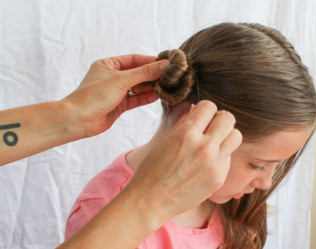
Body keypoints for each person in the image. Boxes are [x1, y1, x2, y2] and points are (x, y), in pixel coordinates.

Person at [65, 22, 316, 249]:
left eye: (274, 166)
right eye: (258, 165)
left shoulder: (230, 197)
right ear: (196, 123)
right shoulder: (100, 214)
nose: (266, 183)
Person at [0, 54, 241, 248]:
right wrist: (147, 202)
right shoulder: (100, 204)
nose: (265, 183)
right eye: (258, 164)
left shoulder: (231, 207)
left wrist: (72, 113)